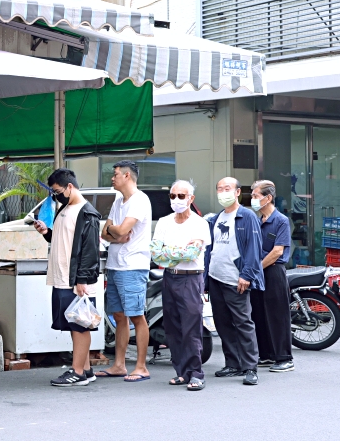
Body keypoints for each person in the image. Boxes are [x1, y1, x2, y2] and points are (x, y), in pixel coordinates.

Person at [32, 168, 101, 387]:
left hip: (76, 280)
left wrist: (82, 279)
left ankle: (78, 371)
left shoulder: (87, 212)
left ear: (70, 187)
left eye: (57, 191)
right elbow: (63, 239)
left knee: (80, 325)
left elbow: (90, 250)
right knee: (75, 324)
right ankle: (86, 369)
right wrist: (46, 232)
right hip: (63, 276)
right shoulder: (65, 207)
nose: (55, 195)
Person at [152, 180, 211, 391]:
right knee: (173, 327)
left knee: (191, 328)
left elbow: (193, 253)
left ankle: (196, 373)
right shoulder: (164, 222)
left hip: (191, 278)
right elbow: (156, 253)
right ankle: (181, 372)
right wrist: (179, 252)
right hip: (169, 277)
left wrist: (169, 252)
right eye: (173, 196)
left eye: (181, 196)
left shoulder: (199, 223)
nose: (176, 200)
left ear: (191, 198)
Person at [206, 177, 264, 386]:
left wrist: (247, 274)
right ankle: (233, 363)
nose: (223, 192)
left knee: (243, 323)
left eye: (227, 188)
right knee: (222, 323)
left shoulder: (247, 216)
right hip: (215, 277)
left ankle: (250, 367)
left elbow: (254, 249)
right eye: (219, 188)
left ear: (238, 192)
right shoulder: (215, 218)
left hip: (236, 278)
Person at [98, 160, 153, 382]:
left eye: (116, 174)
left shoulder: (139, 200)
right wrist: (116, 233)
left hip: (133, 265)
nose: (112, 178)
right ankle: (119, 365)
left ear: (127, 176)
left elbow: (119, 230)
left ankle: (141, 366)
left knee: (136, 316)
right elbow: (106, 232)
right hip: (114, 265)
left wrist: (116, 232)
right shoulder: (118, 201)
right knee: (119, 316)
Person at [250, 180, 294, 373]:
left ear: (268, 198)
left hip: (273, 271)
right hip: (258, 272)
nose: (252, 199)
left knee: (277, 315)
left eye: (255, 196)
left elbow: (277, 252)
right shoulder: (257, 221)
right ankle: (266, 354)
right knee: (258, 313)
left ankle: (284, 357)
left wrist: (256, 268)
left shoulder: (281, 221)